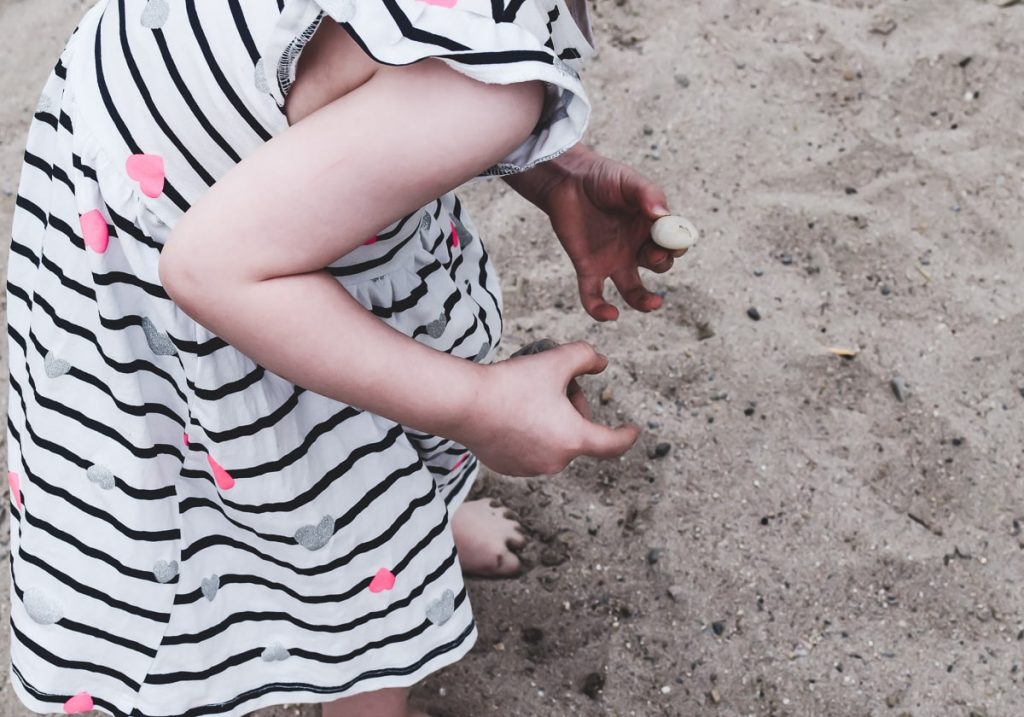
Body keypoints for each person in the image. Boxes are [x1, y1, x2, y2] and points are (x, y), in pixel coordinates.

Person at [5, 1, 684, 715]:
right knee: (347, 487)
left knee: (358, 421)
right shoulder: (486, 97)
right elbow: (211, 271)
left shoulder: (476, 76)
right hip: (237, 277)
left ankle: (426, 516)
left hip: (136, 162)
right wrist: (481, 409)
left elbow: (381, 60)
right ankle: (375, 646)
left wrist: (549, 169)